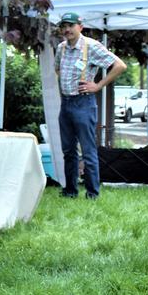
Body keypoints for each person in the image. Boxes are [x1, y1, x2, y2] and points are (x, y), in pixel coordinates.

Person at [54, 12, 126, 199]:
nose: (67, 29)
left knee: (88, 150)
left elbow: (119, 65)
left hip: (83, 103)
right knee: (68, 150)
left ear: (80, 26)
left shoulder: (91, 46)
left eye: (71, 25)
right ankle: (70, 191)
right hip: (66, 103)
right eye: (64, 26)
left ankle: (92, 193)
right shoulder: (61, 48)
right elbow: (57, 69)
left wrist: (98, 85)